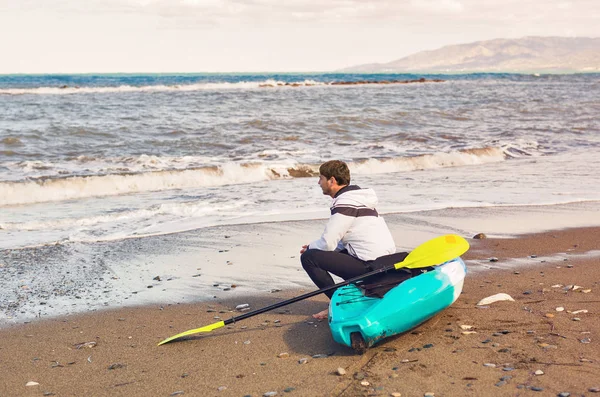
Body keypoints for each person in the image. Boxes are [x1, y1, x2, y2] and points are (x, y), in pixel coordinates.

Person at [300, 160, 397, 319]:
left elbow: (327, 243)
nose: (319, 182)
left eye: (321, 178)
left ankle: (339, 304)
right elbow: (341, 241)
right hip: (385, 264)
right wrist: (314, 247)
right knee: (320, 252)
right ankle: (354, 296)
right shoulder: (359, 199)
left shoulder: (345, 202)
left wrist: (311, 248)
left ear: (332, 181)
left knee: (309, 258)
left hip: (371, 268)